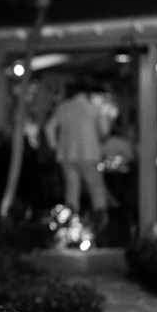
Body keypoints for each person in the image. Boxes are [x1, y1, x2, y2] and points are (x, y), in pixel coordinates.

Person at [44, 80, 110, 231]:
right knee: (96, 188)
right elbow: (105, 131)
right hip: (89, 154)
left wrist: (55, 147)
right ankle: (100, 223)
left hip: (67, 154)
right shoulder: (93, 108)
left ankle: (71, 224)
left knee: (71, 188)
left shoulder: (64, 107)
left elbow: (49, 128)